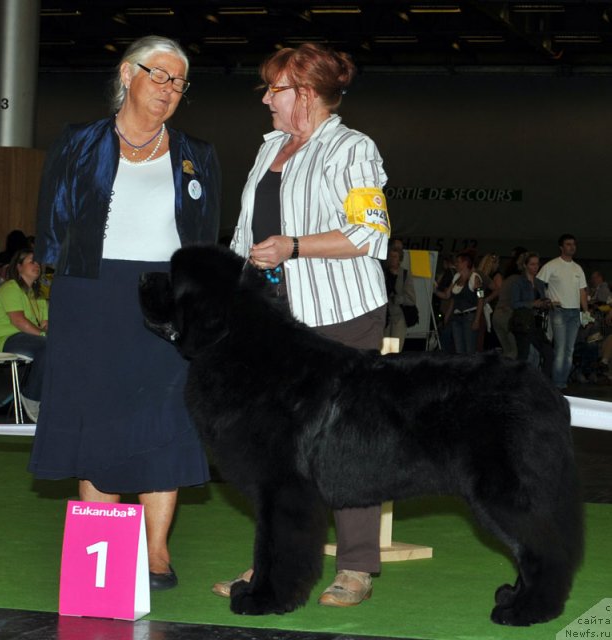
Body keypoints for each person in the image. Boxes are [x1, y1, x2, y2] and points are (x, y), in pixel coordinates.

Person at [27, 35, 221, 591]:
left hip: (166, 299)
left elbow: (204, 237)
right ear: (126, 74)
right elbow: (53, 220)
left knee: (165, 420)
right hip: (90, 294)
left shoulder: (197, 153)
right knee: (96, 419)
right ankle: (103, 550)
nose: (168, 90)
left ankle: (156, 551)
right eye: (159, 76)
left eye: (179, 82)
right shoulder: (77, 142)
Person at [217, 43, 390, 608]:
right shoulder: (269, 147)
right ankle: (277, 560)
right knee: (277, 448)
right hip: (274, 322)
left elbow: (369, 234)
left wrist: (293, 247)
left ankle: (358, 566)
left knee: (345, 443)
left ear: (307, 94)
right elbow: (246, 234)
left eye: (276, 89)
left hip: (340, 315)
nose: (266, 98)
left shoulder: (352, 149)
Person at [0, 249, 48, 421]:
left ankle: (51, 399)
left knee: (60, 347)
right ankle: (31, 396)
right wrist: (45, 335)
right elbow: (19, 321)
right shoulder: (10, 288)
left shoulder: (37, 295)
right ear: (19, 267)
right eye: (32, 262)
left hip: (28, 339)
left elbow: (45, 324)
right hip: (5, 338)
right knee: (47, 346)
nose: (36, 265)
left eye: (38, 262)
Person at [537, 234, 588, 390]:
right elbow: (538, 281)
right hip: (559, 311)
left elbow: (582, 291)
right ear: (561, 247)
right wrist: (547, 299)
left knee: (569, 350)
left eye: (573, 244)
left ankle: (562, 382)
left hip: (574, 312)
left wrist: (585, 311)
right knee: (560, 349)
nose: (572, 247)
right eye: (568, 244)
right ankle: (557, 385)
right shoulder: (552, 265)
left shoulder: (577, 268)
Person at [511, 252, 553, 378]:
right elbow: (514, 304)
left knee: (548, 353)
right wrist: (533, 304)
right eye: (532, 264)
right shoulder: (518, 282)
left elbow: (541, 300)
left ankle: (544, 383)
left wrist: (546, 303)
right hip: (523, 323)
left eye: (537, 264)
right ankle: (518, 383)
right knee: (523, 355)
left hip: (536, 323)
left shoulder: (539, 283)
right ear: (525, 265)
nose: (535, 267)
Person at [443, 250, 484, 354]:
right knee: (459, 351)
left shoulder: (475, 277)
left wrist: (477, 320)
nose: (456, 264)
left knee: (469, 350)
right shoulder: (456, 277)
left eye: (458, 261)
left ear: (465, 263)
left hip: (469, 317)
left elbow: (481, 298)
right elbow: (449, 296)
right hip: (456, 318)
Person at [383, 244, 417, 352]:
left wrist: (397, 299)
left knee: (393, 350)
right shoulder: (384, 273)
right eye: (391, 256)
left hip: (399, 317)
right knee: (384, 350)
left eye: (395, 257)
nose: (392, 259)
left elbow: (411, 299)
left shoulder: (405, 275)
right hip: (386, 316)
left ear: (400, 259)